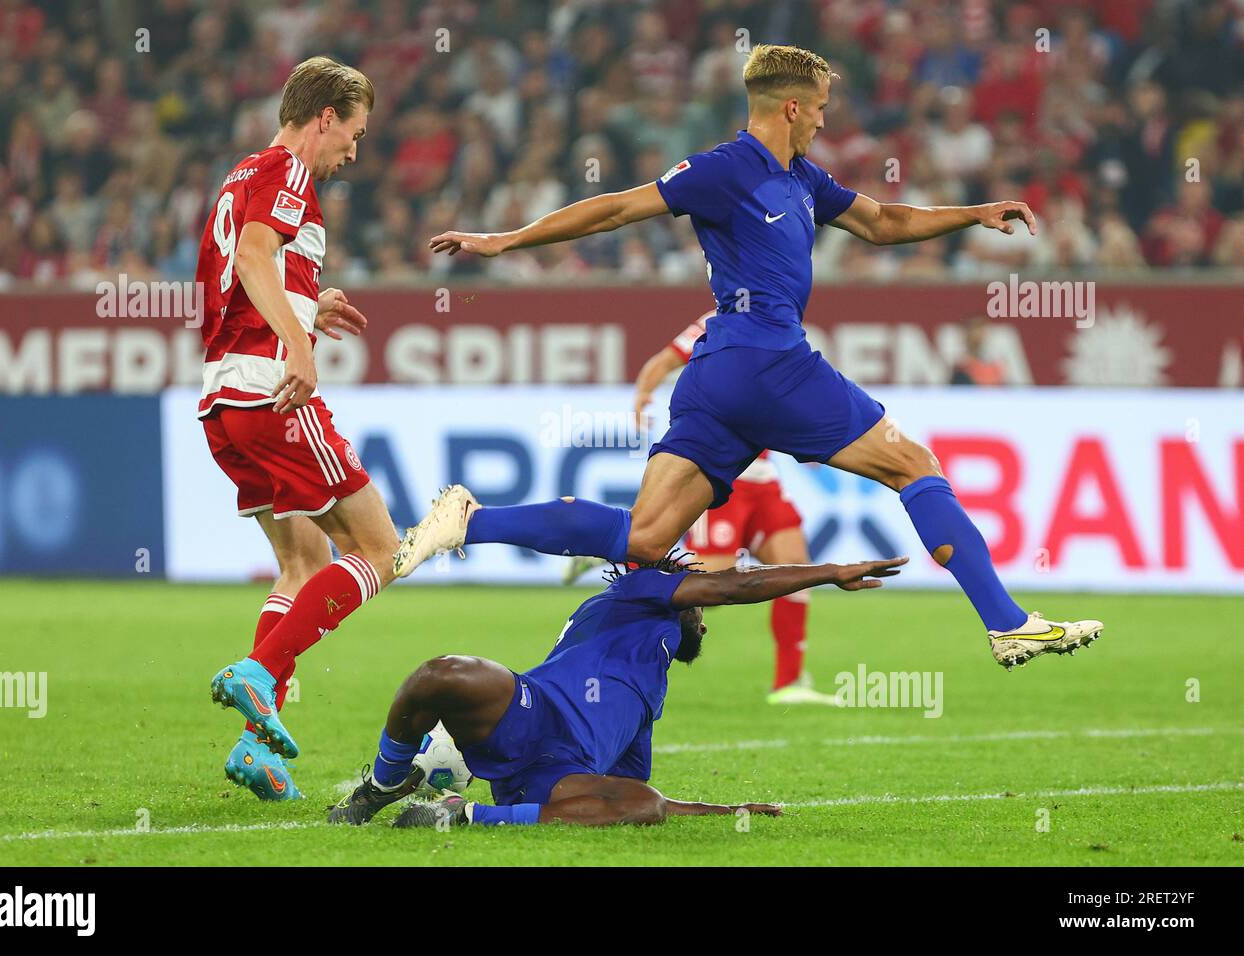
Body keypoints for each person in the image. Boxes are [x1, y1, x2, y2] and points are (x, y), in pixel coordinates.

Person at [400, 43, 1103, 670]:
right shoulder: (726, 169)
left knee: (644, 539)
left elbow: (883, 223)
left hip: (715, 377)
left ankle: (469, 520)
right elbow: (615, 208)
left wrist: (972, 212)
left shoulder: (804, 179)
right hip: (769, 361)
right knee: (915, 466)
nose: (826, 122)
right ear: (791, 107)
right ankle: (1008, 624)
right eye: (821, 110)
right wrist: (505, 241)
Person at [328, 554, 908, 829]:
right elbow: (743, 584)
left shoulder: (649, 694)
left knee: (645, 807)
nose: (704, 618)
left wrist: (723, 810)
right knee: (442, 673)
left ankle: (460, 815)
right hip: (527, 712)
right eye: (698, 603)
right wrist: (827, 573)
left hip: (551, 777)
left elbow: (627, 794)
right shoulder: (636, 597)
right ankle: (384, 782)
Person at [196, 56, 401, 800]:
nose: (356, 149)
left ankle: (257, 746)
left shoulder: (243, 174)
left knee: (303, 561)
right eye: (355, 131)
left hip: (223, 401)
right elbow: (254, 258)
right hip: (269, 391)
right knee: (380, 547)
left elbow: (248, 274)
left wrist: (307, 304)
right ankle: (259, 673)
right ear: (325, 118)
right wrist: (300, 343)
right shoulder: (288, 170)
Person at [569, 309, 838, 705]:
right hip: (724, 473)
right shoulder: (718, 318)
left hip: (764, 475)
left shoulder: (777, 316)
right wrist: (644, 392)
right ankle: (624, 557)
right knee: (708, 580)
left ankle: (789, 682)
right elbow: (664, 360)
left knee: (796, 564)